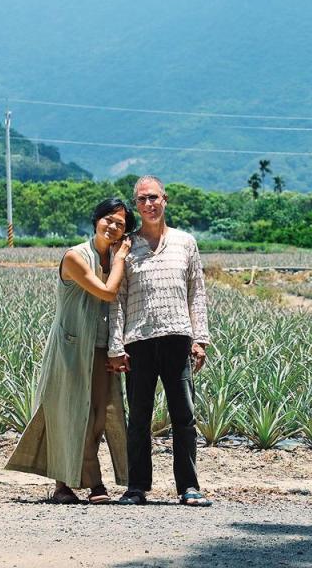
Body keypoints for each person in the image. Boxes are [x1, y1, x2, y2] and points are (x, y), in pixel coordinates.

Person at [6, 198, 134, 504]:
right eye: (108, 219)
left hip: (101, 347)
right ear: (96, 220)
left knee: (98, 417)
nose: (113, 226)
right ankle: (92, 485)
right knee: (68, 414)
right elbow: (107, 292)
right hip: (71, 348)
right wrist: (119, 262)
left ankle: (66, 484)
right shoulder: (76, 257)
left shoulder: (112, 257)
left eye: (120, 224)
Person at [110, 176, 212, 507]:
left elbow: (197, 291)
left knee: (183, 415)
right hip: (138, 340)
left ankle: (189, 486)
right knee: (138, 417)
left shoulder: (186, 242)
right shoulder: (126, 246)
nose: (148, 204)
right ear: (135, 206)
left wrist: (200, 339)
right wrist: (116, 346)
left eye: (153, 198)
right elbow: (117, 298)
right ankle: (137, 487)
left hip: (177, 338)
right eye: (141, 200)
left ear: (165, 199)